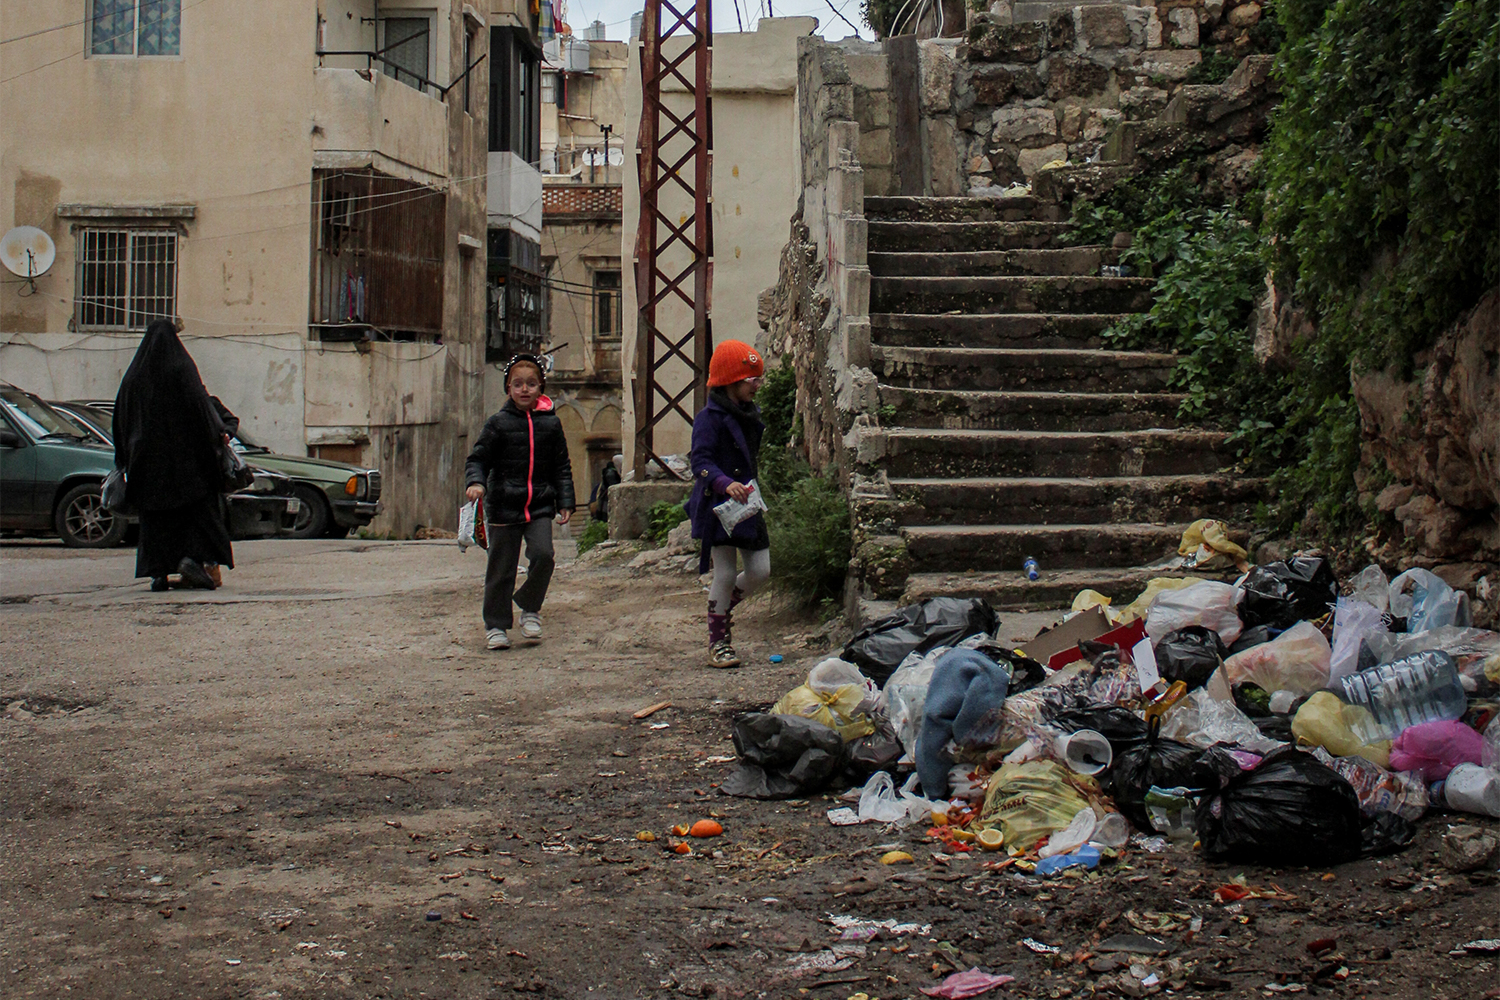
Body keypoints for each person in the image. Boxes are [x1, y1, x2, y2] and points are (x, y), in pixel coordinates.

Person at [113, 319, 234, 591]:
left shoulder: (133, 377)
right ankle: (192, 560)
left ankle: (158, 572)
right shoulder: (181, 369)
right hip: (187, 466)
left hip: (146, 468)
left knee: (155, 523)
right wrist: (216, 439)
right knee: (196, 517)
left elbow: (120, 419)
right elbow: (201, 411)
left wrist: (123, 458)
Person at [464, 355, 575, 650]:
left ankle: (530, 608)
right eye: (518, 384)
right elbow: (478, 459)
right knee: (502, 568)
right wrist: (476, 483)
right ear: (508, 388)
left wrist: (565, 502)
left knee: (544, 555)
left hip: (539, 505)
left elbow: (561, 466)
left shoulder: (551, 425)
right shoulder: (498, 424)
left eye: (531, 384)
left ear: (541, 388)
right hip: (503, 506)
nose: (524, 389)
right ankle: (496, 625)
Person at [686, 340, 770, 668]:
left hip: (748, 504)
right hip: (717, 507)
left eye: (758, 378)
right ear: (730, 380)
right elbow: (700, 461)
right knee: (724, 573)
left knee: (761, 571)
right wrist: (724, 483)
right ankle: (718, 640)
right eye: (752, 379)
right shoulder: (708, 418)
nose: (757, 385)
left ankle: (720, 610)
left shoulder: (750, 415)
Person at [591, 452, 623, 523]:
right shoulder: (611, 473)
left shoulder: (611, 471)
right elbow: (614, 486)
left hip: (605, 501)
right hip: (606, 501)